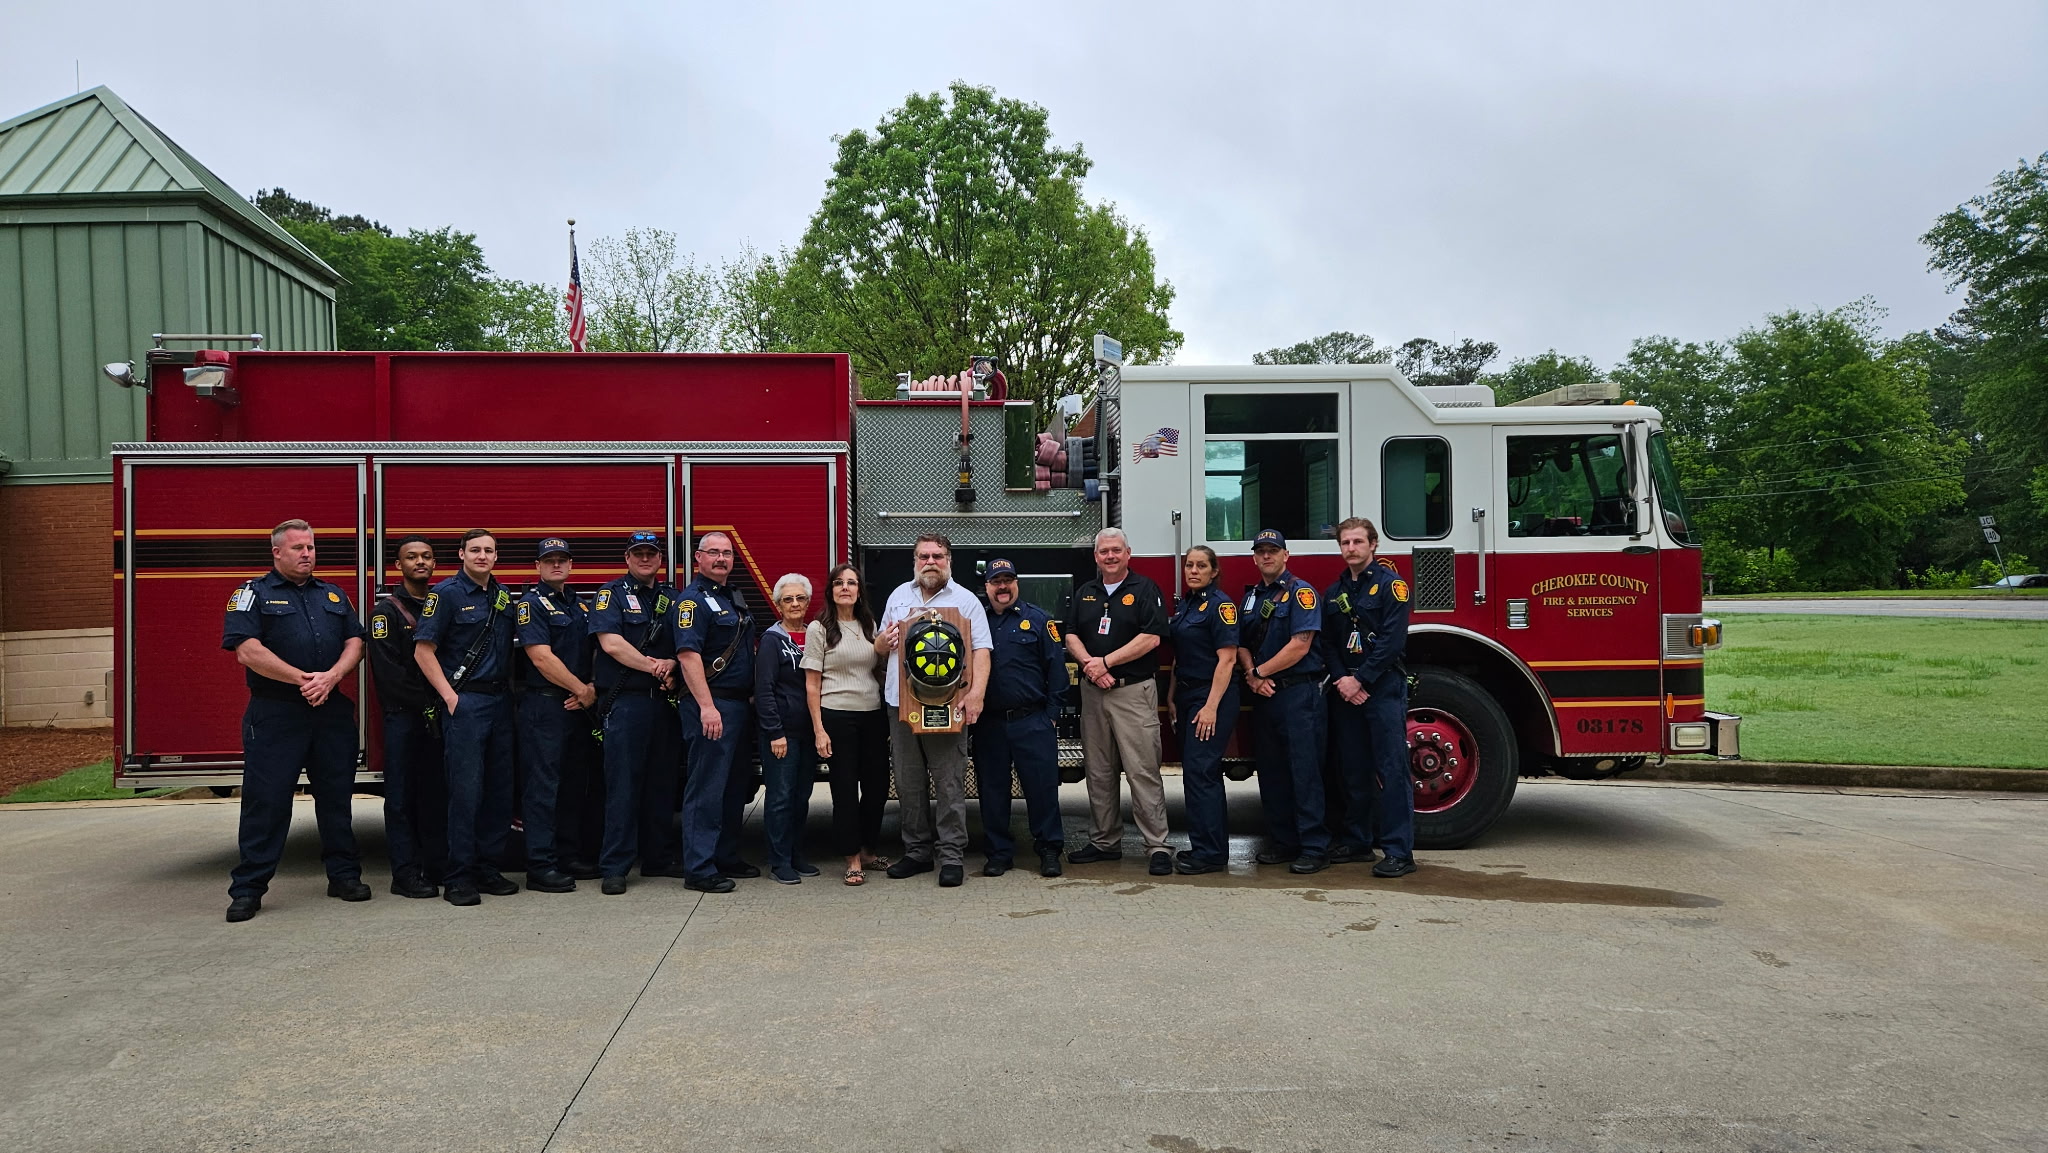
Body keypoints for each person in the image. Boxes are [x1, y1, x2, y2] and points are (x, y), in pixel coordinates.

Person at [219, 519, 369, 922]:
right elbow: (246, 650)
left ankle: (343, 876)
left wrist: (332, 677)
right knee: (266, 803)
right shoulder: (252, 593)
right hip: (277, 712)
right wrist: (302, 679)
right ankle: (248, 889)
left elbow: (355, 640)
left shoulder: (334, 596)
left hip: (329, 710)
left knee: (336, 800)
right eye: (298, 548)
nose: (307, 554)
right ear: (277, 553)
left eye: (311, 547)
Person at [874, 533, 991, 888]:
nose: (930, 561)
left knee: (949, 782)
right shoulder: (898, 596)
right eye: (923, 556)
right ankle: (917, 852)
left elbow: (982, 651)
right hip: (903, 704)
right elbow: (880, 646)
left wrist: (976, 696)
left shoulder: (967, 601)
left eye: (937, 556)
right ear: (914, 561)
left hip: (950, 703)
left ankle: (951, 856)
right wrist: (883, 642)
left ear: (949, 560)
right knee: (908, 782)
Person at [414, 529, 520, 906]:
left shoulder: (503, 596)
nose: (482, 556)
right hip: (467, 703)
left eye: (489, 550)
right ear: (461, 553)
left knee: (498, 790)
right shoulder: (444, 595)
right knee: (465, 791)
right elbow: (424, 652)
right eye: (475, 549)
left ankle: (487, 868)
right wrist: (449, 697)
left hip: (499, 702)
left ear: (496, 556)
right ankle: (458, 876)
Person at [1063, 527, 1173, 876]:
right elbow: (1070, 634)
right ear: (1096, 557)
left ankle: (1157, 845)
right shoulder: (1086, 592)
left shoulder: (1144, 589)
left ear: (1129, 554)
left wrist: (1106, 663)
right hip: (1093, 693)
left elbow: (1152, 637)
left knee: (1142, 770)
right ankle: (1105, 842)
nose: (1110, 556)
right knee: (1099, 772)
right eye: (1103, 551)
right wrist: (1090, 667)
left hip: (1132, 691)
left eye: (1116, 550)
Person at [1321, 518, 1417, 879]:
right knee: (1353, 770)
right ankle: (1358, 841)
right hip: (1347, 690)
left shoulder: (1392, 586)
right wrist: (1343, 679)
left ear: (1373, 545)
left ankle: (1398, 852)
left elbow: (1393, 642)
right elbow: (1328, 643)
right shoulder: (1334, 592)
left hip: (1381, 689)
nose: (1351, 548)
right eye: (1345, 543)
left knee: (1391, 770)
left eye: (1358, 541)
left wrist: (1360, 679)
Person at [587, 531, 682, 895]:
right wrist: (653, 666)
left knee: (662, 784)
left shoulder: (672, 598)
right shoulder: (610, 594)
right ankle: (615, 865)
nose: (645, 559)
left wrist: (672, 663)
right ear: (627, 558)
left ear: (660, 559)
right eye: (638, 553)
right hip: (626, 702)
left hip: (663, 704)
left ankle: (657, 856)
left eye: (651, 553)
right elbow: (610, 643)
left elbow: (685, 645)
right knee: (623, 786)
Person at [1237, 528, 1332, 874]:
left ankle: (1313, 846)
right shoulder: (1250, 599)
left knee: (1304, 772)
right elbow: (1241, 642)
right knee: (1273, 773)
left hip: (1298, 694)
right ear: (1254, 557)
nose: (1266, 556)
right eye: (1260, 551)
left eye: (1272, 551)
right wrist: (1252, 674)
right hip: (1265, 696)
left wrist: (1259, 673)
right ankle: (1283, 842)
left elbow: (1300, 645)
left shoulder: (1301, 593)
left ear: (1285, 555)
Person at [672, 531, 760, 894]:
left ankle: (725, 855)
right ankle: (699, 867)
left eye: (726, 553)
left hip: (739, 706)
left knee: (734, 786)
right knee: (706, 787)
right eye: (713, 553)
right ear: (698, 559)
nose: (721, 558)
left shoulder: (732, 597)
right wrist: (707, 707)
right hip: (713, 705)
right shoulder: (692, 601)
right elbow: (688, 656)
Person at [973, 558, 1069, 878]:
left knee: (1041, 790)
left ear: (1016, 583)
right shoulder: (976, 622)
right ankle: (999, 853)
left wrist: (1051, 718)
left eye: (1008, 580)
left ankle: (1049, 850)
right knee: (993, 791)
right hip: (990, 724)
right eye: (995, 581)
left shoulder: (1040, 620)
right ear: (986, 587)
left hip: (1033, 721)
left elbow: (1058, 673)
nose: (1002, 586)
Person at [514, 538, 599, 894]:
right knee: (542, 788)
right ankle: (540, 865)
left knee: (572, 786)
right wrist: (581, 690)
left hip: (578, 707)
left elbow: (595, 651)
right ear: (537, 566)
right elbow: (541, 657)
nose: (556, 565)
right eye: (549, 560)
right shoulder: (530, 605)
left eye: (562, 560)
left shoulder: (579, 607)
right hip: (545, 706)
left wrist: (589, 689)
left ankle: (567, 855)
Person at [366, 535, 447, 899]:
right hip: (404, 717)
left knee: (433, 795)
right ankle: (405, 873)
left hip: (437, 716)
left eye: (427, 556)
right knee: (400, 799)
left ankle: (435, 866)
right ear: (398, 565)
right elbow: (388, 674)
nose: (420, 562)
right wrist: (431, 701)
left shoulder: (438, 604)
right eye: (412, 557)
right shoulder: (386, 612)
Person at [803, 564, 894, 887]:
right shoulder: (819, 628)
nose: (846, 587)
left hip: (872, 715)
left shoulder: (869, 624)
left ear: (859, 591)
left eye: (852, 583)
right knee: (844, 790)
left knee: (877, 788)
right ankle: (852, 858)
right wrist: (819, 729)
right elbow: (812, 684)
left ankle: (868, 851)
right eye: (839, 583)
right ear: (830, 590)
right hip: (836, 716)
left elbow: (879, 668)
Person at [1166, 545, 1240, 875]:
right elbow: (1180, 657)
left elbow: (1227, 659)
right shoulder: (1187, 606)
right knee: (1194, 775)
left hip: (1210, 699)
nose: (1193, 570)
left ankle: (1211, 854)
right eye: (1189, 565)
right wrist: (1170, 696)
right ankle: (1201, 846)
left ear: (1214, 571)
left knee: (1204, 773)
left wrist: (1210, 707)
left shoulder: (1221, 606)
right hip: (1186, 696)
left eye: (1201, 566)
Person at [755, 573, 821, 884]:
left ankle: (796, 855)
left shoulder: (815, 635)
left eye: (800, 598)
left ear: (809, 602)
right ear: (778, 604)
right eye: (788, 599)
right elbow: (764, 690)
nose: (795, 604)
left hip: (811, 732)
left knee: (801, 796)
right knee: (780, 797)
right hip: (783, 734)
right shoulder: (771, 640)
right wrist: (775, 733)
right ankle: (779, 861)